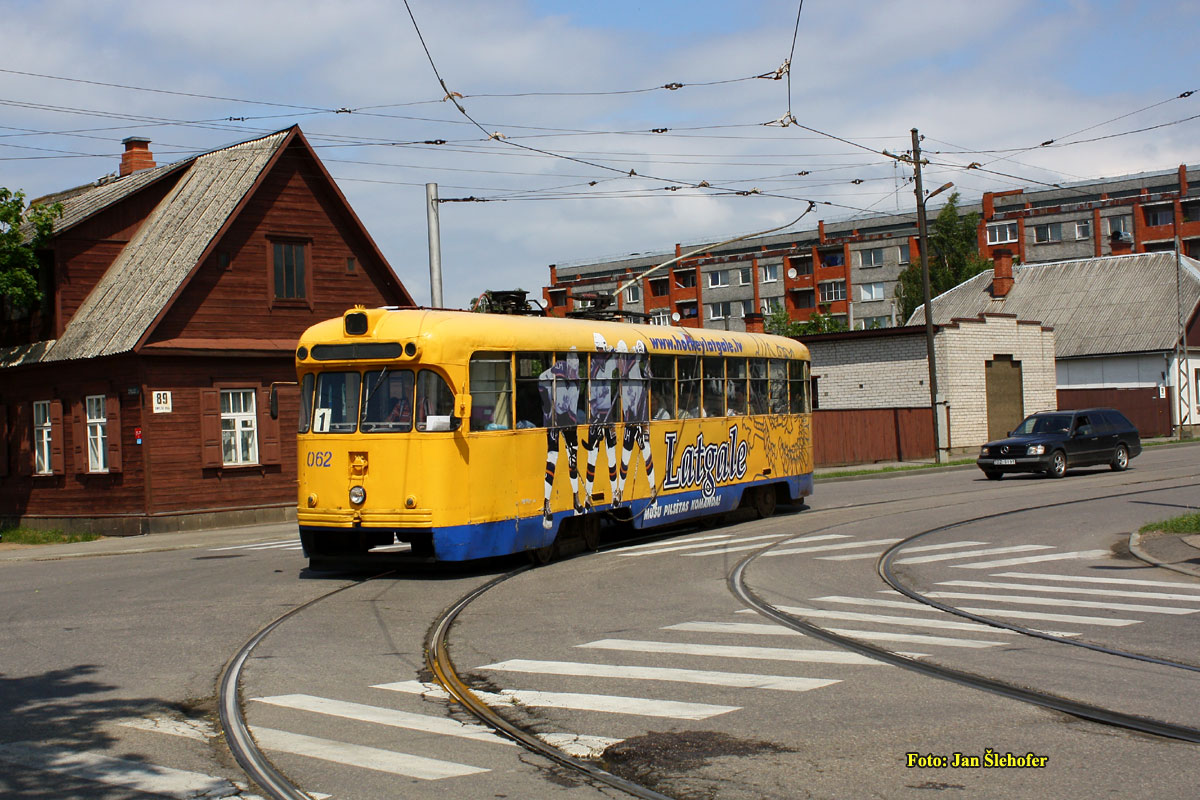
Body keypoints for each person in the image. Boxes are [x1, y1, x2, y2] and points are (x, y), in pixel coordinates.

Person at [539, 349, 583, 529]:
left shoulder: (577, 382)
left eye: (577, 367)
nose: (574, 370)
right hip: (553, 418)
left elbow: (572, 408)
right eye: (572, 366)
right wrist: (548, 406)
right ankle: (546, 502)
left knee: (573, 459)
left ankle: (576, 496)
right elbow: (542, 378)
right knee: (552, 458)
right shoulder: (557, 370)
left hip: (568, 419)